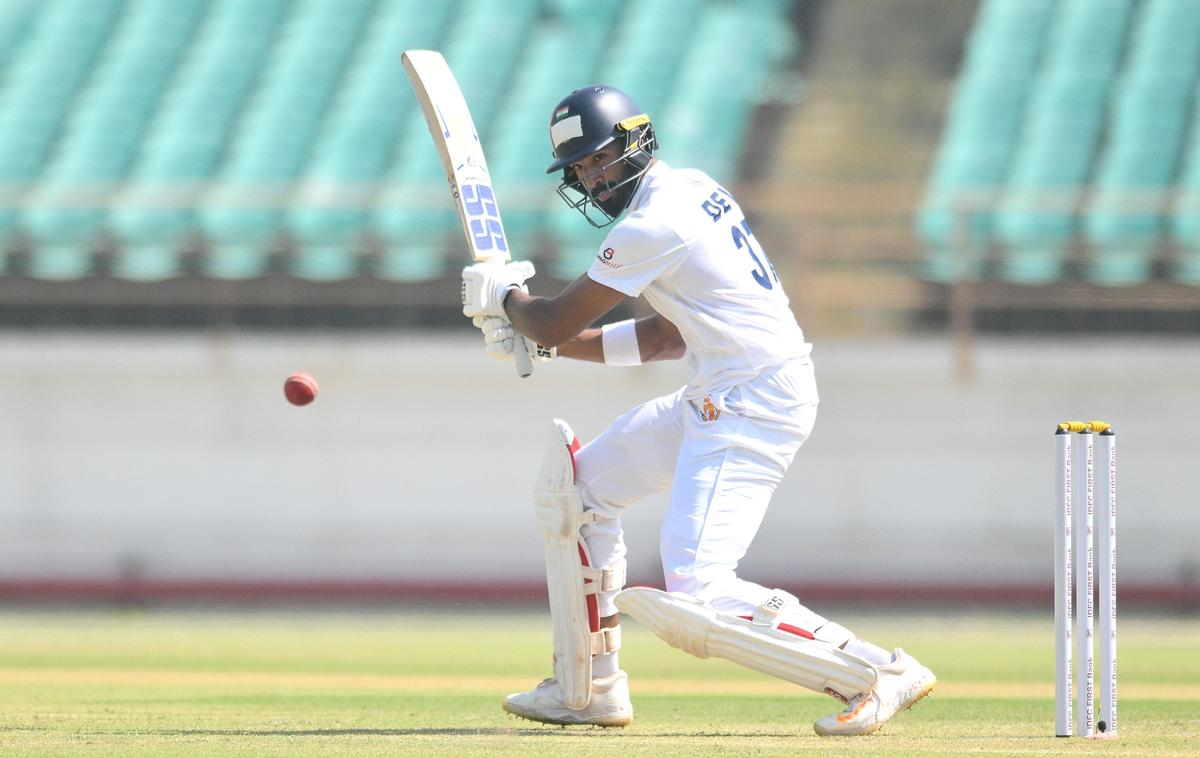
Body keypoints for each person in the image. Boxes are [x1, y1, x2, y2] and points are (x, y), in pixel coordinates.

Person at [460, 85, 936, 736]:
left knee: (698, 587)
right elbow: (664, 336)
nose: (593, 181)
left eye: (600, 161)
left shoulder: (653, 223)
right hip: (719, 390)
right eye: (581, 171)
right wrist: (540, 336)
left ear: (636, 142)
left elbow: (552, 318)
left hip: (751, 399)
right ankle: (591, 688)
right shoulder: (687, 190)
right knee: (579, 492)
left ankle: (878, 670)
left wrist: (510, 302)